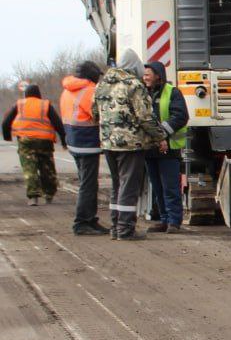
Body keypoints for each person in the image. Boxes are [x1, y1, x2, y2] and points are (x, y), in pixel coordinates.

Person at [92, 50, 166, 240]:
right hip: (130, 144)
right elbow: (145, 117)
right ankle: (125, 230)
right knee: (128, 186)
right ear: (135, 67)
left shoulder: (102, 85)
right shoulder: (134, 85)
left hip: (108, 143)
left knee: (117, 185)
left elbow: (94, 112)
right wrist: (160, 137)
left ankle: (116, 227)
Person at [61, 61, 110, 235]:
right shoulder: (89, 91)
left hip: (74, 142)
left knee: (87, 183)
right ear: (93, 76)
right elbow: (99, 115)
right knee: (88, 185)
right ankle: (82, 223)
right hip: (87, 143)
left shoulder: (68, 90)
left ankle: (90, 220)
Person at [141, 61, 189, 233]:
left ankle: (174, 221)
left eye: (148, 74)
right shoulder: (142, 93)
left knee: (170, 187)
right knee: (157, 187)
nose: (144, 77)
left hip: (169, 148)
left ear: (158, 75)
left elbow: (181, 116)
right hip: (150, 149)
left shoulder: (173, 93)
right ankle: (164, 220)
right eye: (144, 74)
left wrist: (160, 133)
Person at [3, 85, 66, 206]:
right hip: (44, 141)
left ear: (26, 94)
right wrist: (63, 141)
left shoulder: (19, 104)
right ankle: (49, 194)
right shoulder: (45, 105)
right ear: (39, 94)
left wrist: (7, 137)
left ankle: (33, 197)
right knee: (47, 167)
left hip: (26, 141)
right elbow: (58, 124)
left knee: (29, 168)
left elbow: (6, 123)